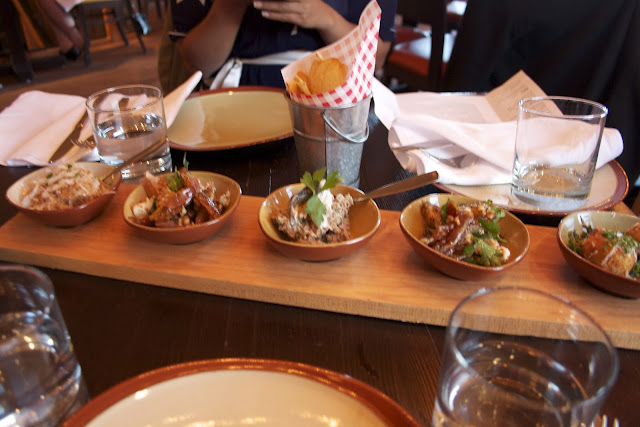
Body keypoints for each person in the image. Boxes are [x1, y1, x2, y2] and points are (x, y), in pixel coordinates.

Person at [168, 0, 397, 89]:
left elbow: (376, 59)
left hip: (335, 88)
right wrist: (231, 6)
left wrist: (326, 18)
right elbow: (196, 63)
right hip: (236, 88)